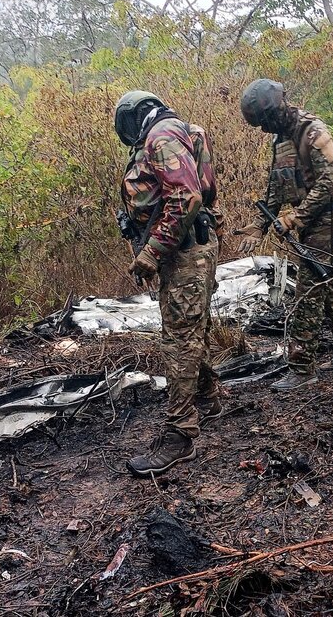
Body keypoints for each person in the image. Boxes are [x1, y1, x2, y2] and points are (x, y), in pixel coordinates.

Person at [113, 90, 223, 477]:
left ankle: (180, 435)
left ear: (132, 118)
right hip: (191, 248)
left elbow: (187, 197)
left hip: (184, 251)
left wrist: (151, 252)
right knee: (191, 332)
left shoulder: (161, 137)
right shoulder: (181, 131)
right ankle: (208, 397)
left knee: (178, 339)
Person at [235, 78, 333, 391]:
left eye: (265, 121)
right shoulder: (280, 140)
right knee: (328, 288)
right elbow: (274, 186)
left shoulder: (314, 131)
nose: (264, 129)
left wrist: (295, 218)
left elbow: (326, 185)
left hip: (326, 221)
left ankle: (302, 367)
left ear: (278, 108)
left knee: (308, 295)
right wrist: (259, 223)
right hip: (307, 223)